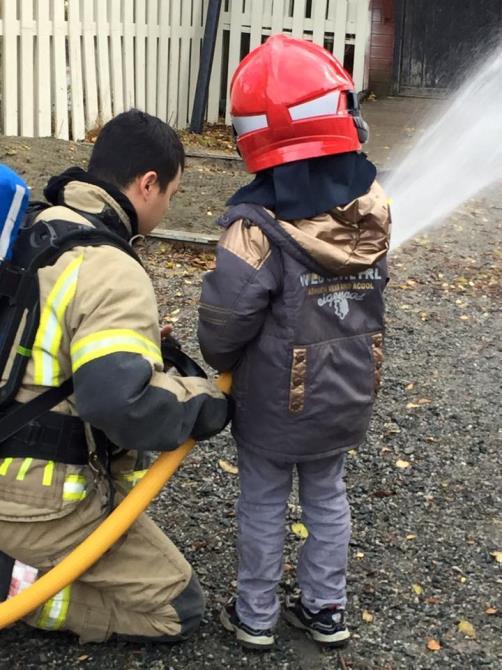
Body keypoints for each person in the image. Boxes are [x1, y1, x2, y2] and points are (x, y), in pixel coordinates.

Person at [0, 109, 230, 643]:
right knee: (178, 609)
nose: (168, 204)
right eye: (170, 193)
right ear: (147, 184)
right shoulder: (111, 267)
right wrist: (205, 404)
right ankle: (17, 586)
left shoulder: (39, 227)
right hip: (36, 498)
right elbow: (119, 405)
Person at [197, 35, 391, 650]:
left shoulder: (255, 228)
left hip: (276, 403)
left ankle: (255, 616)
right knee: (328, 495)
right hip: (346, 392)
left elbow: (225, 322)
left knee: (262, 499)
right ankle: (325, 609)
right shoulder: (372, 212)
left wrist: (221, 363)